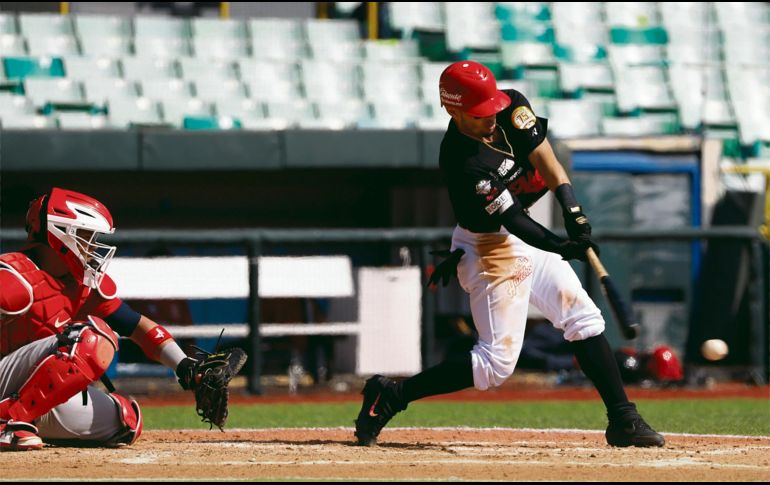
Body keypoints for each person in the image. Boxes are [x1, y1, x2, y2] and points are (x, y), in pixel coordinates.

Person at [353, 61, 665, 448]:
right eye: (480, 112)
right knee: (495, 365)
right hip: (490, 249)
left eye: (492, 106)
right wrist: (564, 246)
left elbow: (545, 158)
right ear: (453, 110)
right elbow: (514, 221)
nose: (491, 116)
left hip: (523, 232)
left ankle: (623, 419)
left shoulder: (511, 106)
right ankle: (393, 394)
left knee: (583, 318)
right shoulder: (462, 160)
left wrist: (572, 209)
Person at [0, 188, 228, 451]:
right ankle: (9, 420)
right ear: (59, 234)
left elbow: (135, 326)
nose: (92, 247)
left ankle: (18, 418)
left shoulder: (81, 285)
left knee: (125, 420)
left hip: (24, 392)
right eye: (85, 236)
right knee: (90, 338)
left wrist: (185, 367)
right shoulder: (12, 276)